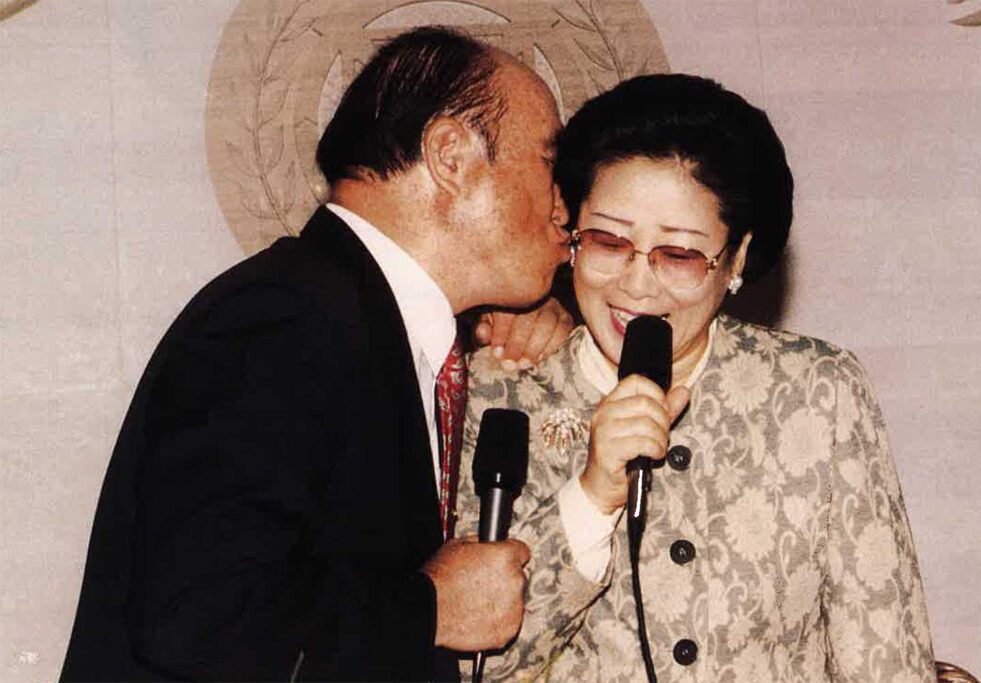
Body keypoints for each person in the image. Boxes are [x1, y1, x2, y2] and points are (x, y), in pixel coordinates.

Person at [61, 27, 570, 681]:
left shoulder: (351, 317)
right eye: (549, 162)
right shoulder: (285, 318)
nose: (565, 207)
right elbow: (199, 612)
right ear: (451, 156)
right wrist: (430, 609)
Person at [457, 74, 936, 682]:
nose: (636, 283)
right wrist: (593, 495)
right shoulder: (499, 395)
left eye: (678, 255)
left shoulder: (818, 392)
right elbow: (471, 665)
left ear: (736, 260)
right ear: (571, 236)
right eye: (608, 242)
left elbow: (888, 660)